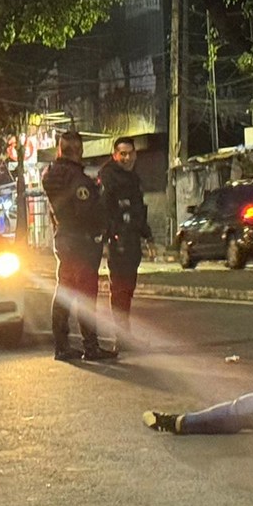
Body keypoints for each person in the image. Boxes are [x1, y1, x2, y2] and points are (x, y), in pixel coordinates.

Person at [42, 130, 115, 362]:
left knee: (63, 292)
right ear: (79, 151)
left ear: (59, 149)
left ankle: (61, 346)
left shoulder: (49, 175)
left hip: (62, 237)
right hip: (81, 241)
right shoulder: (78, 179)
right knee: (86, 295)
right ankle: (90, 347)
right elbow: (87, 212)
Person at [98, 136, 156, 354]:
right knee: (120, 290)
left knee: (127, 289)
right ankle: (120, 338)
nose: (127, 157)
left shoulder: (133, 178)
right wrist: (106, 237)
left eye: (130, 153)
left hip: (132, 241)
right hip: (118, 240)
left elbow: (139, 211)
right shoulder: (108, 177)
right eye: (122, 153)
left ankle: (125, 336)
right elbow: (104, 210)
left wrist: (148, 237)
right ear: (115, 155)